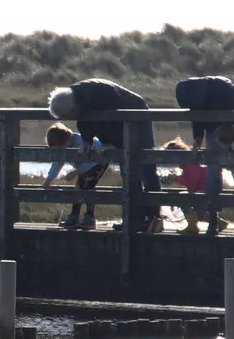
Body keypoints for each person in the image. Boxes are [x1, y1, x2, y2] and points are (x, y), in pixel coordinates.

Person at [46, 78, 161, 232]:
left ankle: (154, 219)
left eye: (67, 117)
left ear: (73, 108)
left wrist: (109, 142)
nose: (68, 120)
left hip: (137, 115)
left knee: (146, 165)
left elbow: (114, 119)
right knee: (127, 172)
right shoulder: (75, 97)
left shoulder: (100, 95)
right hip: (119, 125)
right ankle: (134, 219)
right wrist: (86, 141)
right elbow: (85, 121)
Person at [174, 76, 234, 235]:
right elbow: (196, 116)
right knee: (212, 172)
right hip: (212, 130)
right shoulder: (191, 96)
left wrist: (231, 141)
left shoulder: (223, 88)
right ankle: (213, 220)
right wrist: (198, 139)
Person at [42, 123, 110, 228]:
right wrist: (49, 180)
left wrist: (75, 172)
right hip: (84, 166)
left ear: (66, 141)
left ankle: (89, 218)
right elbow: (58, 163)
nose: (60, 151)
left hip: (99, 162)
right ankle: (74, 216)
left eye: (60, 148)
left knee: (88, 186)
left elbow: (91, 162)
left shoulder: (81, 142)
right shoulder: (64, 146)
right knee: (79, 187)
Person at [162, 137, 208, 234]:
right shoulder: (189, 164)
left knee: (182, 198)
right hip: (204, 190)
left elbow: (192, 183)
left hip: (203, 191)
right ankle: (219, 223)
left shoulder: (190, 165)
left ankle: (192, 226)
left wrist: (175, 178)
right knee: (197, 207)